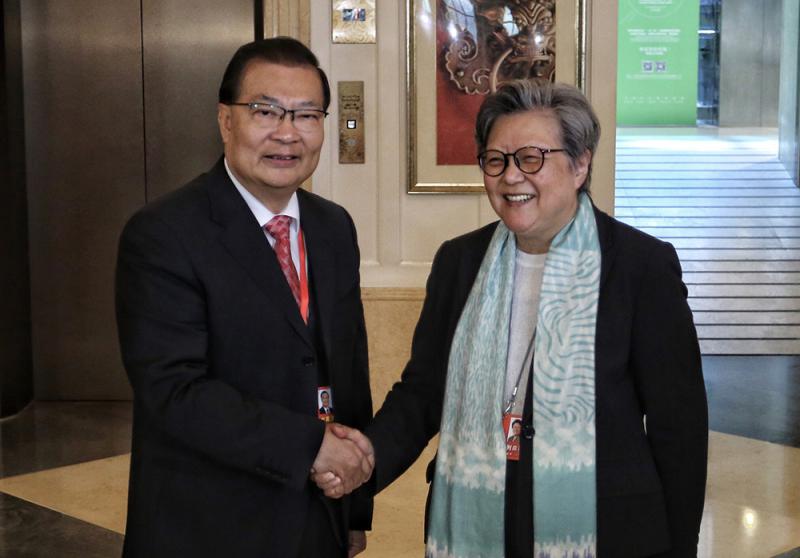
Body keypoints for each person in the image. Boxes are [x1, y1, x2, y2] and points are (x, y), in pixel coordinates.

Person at [317, 79, 708, 557]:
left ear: (580, 164)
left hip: (604, 530)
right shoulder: (460, 262)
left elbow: (678, 429)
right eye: (496, 160)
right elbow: (423, 395)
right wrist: (361, 465)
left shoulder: (639, 266)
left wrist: (681, 548)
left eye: (531, 158)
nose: (511, 177)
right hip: (478, 518)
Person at [115, 37, 374, 558]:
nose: (287, 133)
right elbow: (173, 390)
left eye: (306, 115)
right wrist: (310, 447)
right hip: (208, 525)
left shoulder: (332, 227)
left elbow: (347, 367)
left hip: (316, 516)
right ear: (225, 120)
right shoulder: (164, 233)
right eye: (265, 111)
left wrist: (353, 507)